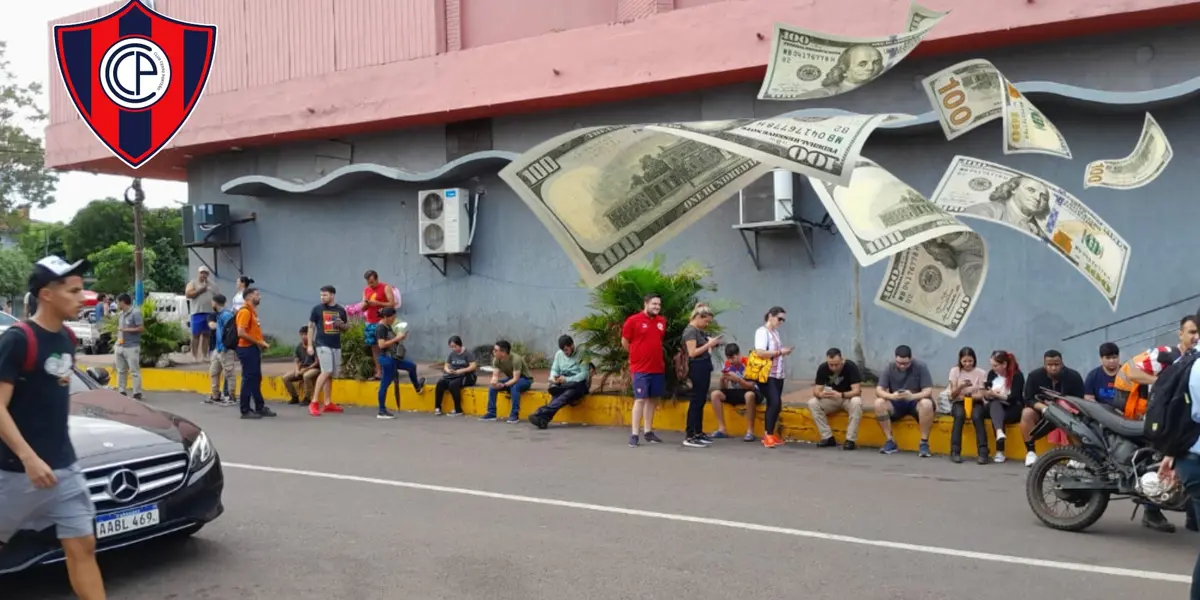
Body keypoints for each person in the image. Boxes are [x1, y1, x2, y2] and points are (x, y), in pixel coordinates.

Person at [0, 256, 107, 599]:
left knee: (83, 546)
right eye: (74, 291)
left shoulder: (67, 339)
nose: (83, 297)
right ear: (47, 294)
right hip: (14, 472)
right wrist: (29, 457)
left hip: (64, 469)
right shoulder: (17, 340)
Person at [1113, 315, 1199, 420]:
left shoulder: (1195, 359)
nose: (1197, 336)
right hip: (1161, 421)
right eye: (1192, 332)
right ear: (1181, 335)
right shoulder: (1166, 353)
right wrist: (1162, 382)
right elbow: (1132, 373)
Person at [1018, 349, 1085, 466]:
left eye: (1056, 364)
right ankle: (1030, 452)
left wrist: (1065, 407)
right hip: (1043, 412)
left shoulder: (1074, 376)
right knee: (1026, 413)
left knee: (1075, 417)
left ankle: (1076, 455)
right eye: (1050, 365)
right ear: (1044, 365)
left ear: (1062, 364)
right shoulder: (1034, 376)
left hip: (1066, 412)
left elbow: (1079, 401)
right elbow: (1028, 398)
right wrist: (1044, 408)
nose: (1053, 368)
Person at [622, 293, 668, 447]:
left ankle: (648, 431)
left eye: (659, 305)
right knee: (640, 399)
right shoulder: (633, 321)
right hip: (640, 368)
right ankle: (635, 434)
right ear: (646, 303)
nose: (657, 307)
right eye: (654, 304)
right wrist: (635, 355)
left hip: (657, 367)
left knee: (652, 399)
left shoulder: (661, 321)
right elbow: (625, 341)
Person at [874, 345, 935, 457]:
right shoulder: (889, 367)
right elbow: (879, 390)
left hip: (915, 401)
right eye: (899, 363)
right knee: (878, 403)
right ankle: (889, 440)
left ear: (911, 359)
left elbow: (928, 391)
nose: (902, 366)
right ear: (895, 359)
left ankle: (924, 443)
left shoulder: (921, 366)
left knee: (927, 403)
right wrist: (891, 396)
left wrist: (912, 396)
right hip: (896, 402)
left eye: (906, 363)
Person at [972, 351, 1026, 464]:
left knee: (996, 412)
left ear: (1004, 364)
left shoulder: (1017, 376)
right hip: (995, 405)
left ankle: (1000, 451)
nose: (993, 368)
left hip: (1012, 408)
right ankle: (983, 449)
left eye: (995, 365)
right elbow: (988, 394)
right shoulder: (992, 374)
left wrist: (997, 395)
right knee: (978, 413)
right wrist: (987, 393)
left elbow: (1013, 398)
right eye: (992, 365)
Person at [680, 305, 722, 448]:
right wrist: (708, 344)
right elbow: (692, 352)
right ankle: (690, 434)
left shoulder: (699, 331)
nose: (707, 324)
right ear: (698, 317)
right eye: (706, 321)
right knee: (696, 401)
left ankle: (698, 432)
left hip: (704, 367)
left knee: (701, 400)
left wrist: (713, 344)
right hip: (696, 367)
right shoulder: (690, 331)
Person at [529, 335, 591, 429]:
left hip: (579, 384)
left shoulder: (583, 354)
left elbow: (584, 375)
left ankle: (540, 412)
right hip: (563, 382)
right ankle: (543, 420)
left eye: (566, 349)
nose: (565, 352)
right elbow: (554, 369)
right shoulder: (559, 354)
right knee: (559, 395)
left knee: (566, 394)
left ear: (572, 345)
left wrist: (566, 379)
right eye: (563, 350)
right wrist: (554, 377)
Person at [808, 347, 864, 450]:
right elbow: (816, 390)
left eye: (836, 364)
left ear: (842, 360)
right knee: (812, 403)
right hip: (832, 398)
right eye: (831, 365)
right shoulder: (823, 368)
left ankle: (850, 440)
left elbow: (857, 391)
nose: (833, 368)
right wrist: (821, 394)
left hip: (847, 398)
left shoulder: (850, 366)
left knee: (857, 402)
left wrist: (841, 395)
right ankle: (827, 437)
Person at [375, 308, 426, 417]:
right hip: (387, 359)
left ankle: (417, 387)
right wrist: (396, 338)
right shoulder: (381, 328)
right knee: (385, 384)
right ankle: (382, 410)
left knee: (412, 367)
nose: (394, 319)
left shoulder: (387, 326)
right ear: (386, 317)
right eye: (392, 317)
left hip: (394, 358)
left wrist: (400, 338)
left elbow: (392, 341)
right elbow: (381, 345)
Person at [307, 285, 349, 417]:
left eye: (325, 295)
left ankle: (327, 403)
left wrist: (341, 325)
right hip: (322, 344)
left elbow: (346, 327)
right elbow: (310, 327)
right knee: (326, 371)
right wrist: (309, 345)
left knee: (330, 374)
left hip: (336, 345)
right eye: (321, 295)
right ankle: (314, 402)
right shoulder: (317, 309)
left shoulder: (340, 310)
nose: (322, 297)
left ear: (332, 295)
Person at [754, 306, 793, 448]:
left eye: (783, 320)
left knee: (776, 404)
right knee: (774, 401)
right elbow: (760, 352)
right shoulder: (762, 332)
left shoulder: (775, 333)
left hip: (777, 374)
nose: (781, 322)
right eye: (779, 318)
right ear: (770, 316)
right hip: (767, 374)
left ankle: (770, 433)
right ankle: (767, 435)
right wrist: (779, 352)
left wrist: (782, 352)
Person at [234, 287, 274, 420]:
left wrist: (260, 343)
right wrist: (259, 342)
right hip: (246, 349)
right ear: (250, 297)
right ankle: (245, 410)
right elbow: (241, 333)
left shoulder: (252, 312)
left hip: (253, 348)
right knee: (248, 378)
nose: (260, 297)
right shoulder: (245, 312)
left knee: (256, 378)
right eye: (257, 294)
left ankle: (259, 406)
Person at [944, 347, 989, 463]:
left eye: (970, 361)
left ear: (974, 360)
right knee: (959, 415)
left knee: (977, 416)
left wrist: (967, 396)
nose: (967, 364)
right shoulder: (955, 371)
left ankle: (983, 452)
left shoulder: (981, 373)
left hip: (975, 401)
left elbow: (981, 395)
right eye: (964, 361)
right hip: (958, 402)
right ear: (960, 360)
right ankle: (955, 451)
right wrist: (961, 386)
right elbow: (952, 395)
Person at [708, 343, 760, 442]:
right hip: (738, 392)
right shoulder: (728, 364)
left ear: (739, 354)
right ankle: (722, 429)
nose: (731, 361)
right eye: (729, 358)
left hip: (752, 391)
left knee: (749, 395)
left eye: (733, 358)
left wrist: (738, 380)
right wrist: (722, 380)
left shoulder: (749, 363)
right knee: (715, 394)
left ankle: (750, 431)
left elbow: (751, 386)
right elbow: (723, 389)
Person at [482, 339, 532, 424]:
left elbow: (516, 379)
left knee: (515, 387)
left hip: (525, 379)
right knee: (492, 388)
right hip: (511, 378)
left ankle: (514, 415)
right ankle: (491, 413)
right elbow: (495, 375)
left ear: (503, 352)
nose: (493, 352)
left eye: (496, 350)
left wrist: (504, 385)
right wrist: (494, 382)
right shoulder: (496, 360)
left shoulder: (516, 359)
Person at [361, 270, 396, 381]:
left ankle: (391, 371)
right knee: (374, 348)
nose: (370, 284)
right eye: (368, 282)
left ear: (377, 279)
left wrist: (378, 303)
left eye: (372, 282)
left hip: (383, 321)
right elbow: (362, 308)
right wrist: (366, 303)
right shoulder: (366, 290)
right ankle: (379, 372)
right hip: (370, 322)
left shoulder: (385, 287)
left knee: (387, 346)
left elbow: (392, 304)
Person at [434, 336, 476, 416]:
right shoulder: (452, 354)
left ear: (459, 345)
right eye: (452, 347)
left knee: (453, 385)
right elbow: (446, 365)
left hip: (467, 375)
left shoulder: (468, 353)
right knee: (440, 383)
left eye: (455, 346)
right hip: (454, 375)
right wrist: (448, 370)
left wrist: (462, 370)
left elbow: (473, 366)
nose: (453, 349)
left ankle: (458, 409)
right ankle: (437, 407)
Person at [207, 294, 237, 406]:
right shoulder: (220, 315)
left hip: (225, 349)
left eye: (212, 302)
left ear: (215, 303)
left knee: (229, 373)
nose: (211, 304)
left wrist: (226, 346)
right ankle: (215, 395)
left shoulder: (227, 315)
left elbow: (230, 333)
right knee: (214, 372)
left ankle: (231, 396)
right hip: (218, 348)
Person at [184, 265, 219, 362]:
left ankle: (205, 356)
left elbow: (218, 297)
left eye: (205, 273)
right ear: (198, 273)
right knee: (196, 335)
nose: (203, 275)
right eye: (202, 273)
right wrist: (200, 290)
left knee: (207, 335)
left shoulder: (213, 285)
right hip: (197, 312)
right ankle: (194, 356)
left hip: (210, 312)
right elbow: (188, 294)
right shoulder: (193, 283)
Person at [112, 293, 143, 400]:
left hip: (132, 346)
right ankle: (121, 391)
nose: (116, 304)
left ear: (122, 302)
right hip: (120, 345)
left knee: (134, 371)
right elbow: (120, 330)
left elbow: (141, 328)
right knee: (120, 370)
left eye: (117, 302)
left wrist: (127, 330)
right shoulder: (120, 314)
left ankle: (137, 392)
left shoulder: (135, 313)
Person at [282, 326, 320, 405]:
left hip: (314, 368)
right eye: (302, 334)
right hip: (302, 368)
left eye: (305, 334)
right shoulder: (299, 347)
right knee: (285, 377)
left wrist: (306, 369)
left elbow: (316, 362)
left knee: (306, 376)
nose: (303, 336)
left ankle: (307, 398)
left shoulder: (314, 345)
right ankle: (294, 397)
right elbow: (297, 361)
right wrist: (297, 370)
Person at [1083, 342, 1121, 408]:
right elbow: (1088, 398)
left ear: (1118, 357)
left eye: (1114, 357)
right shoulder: (1093, 376)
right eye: (1108, 358)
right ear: (1101, 359)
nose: (1112, 361)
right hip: (1101, 415)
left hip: (1125, 416)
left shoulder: (1127, 374)